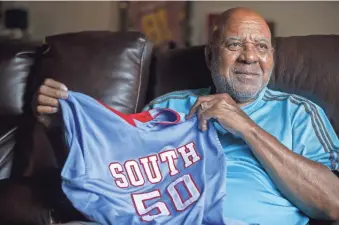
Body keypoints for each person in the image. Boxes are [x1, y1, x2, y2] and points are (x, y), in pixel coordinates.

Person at [34, 7, 339, 225]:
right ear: (210, 55)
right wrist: (59, 129)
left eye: (261, 46)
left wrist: (246, 127)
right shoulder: (169, 108)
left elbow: (333, 203)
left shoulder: (300, 113)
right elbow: (111, 177)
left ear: (271, 57)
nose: (249, 56)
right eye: (234, 45)